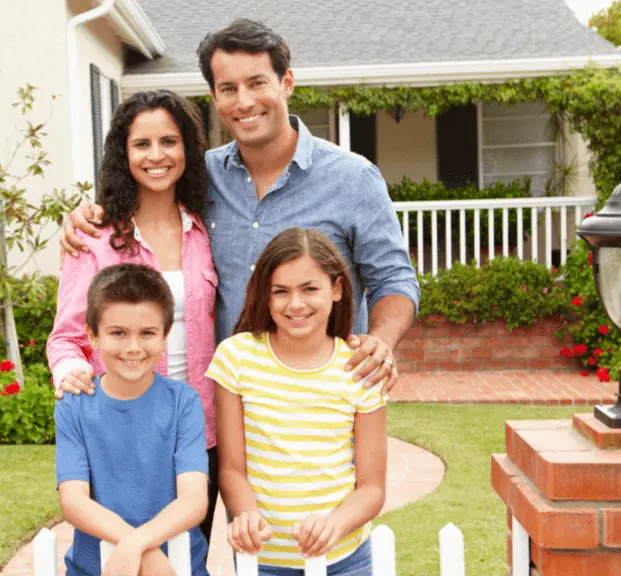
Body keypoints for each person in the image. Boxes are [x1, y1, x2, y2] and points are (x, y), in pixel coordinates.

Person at [60, 18, 420, 395]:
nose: (244, 101)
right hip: (228, 402)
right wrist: (88, 216)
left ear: (287, 83)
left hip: (322, 399)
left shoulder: (353, 179)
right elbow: (145, 201)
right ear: (215, 98)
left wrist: (381, 341)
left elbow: (394, 279)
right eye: (228, 88)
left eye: (257, 83)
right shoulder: (199, 177)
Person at [46, 90, 222, 542]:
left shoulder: (206, 229)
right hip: (124, 434)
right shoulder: (94, 237)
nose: (156, 155)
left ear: (187, 148)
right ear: (123, 155)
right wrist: (72, 375)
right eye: (142, 144)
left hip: (201, 430)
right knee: (128, 556)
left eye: (169, 141)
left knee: (186, 558)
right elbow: (67, 338)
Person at [208, 228, 388, 576]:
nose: (295, 304)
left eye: (309, 289)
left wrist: (333, 526)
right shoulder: (236, 358)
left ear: (336, 289)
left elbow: (372, 489)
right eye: (281, 291)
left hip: (344, 560)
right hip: (262, 561)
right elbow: (231, 469)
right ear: (266, 295)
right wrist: (247, 516)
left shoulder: (360, 368)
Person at [55, 263, 210, 576]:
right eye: (118, 333)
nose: (133, 347)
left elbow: (194, 500)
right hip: (95, 568)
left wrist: (137, 544)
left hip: (175, 567)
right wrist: (135, 544)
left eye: (147, 333)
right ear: (93, 336)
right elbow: (73, 501)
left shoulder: (184, 402)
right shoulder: (74, 405)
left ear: (166, 335)